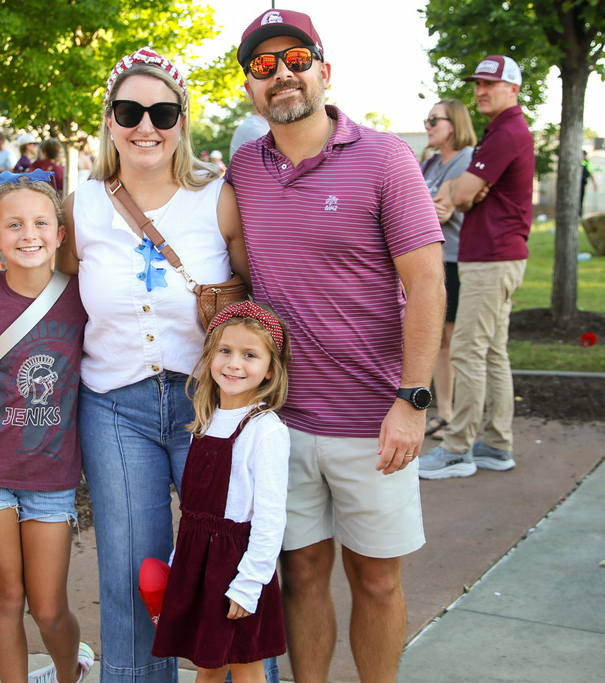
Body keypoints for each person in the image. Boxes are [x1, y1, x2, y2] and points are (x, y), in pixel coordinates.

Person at [227, 10, 445, 682]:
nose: (281, 74)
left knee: (376, 580)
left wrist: (412, 400)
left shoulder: (386, 157)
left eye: (296, 59)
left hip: (374, 420)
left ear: (325, 70)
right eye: (263, 66)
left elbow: (427, 283)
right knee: (299, 573)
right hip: (281, 421)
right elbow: (232, 266)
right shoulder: (244, 168)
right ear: (250, 87)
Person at [57, 45, 254, 683]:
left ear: (182, 122)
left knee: (228, 562)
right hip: (116, 406)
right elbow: (54, 295)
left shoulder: (218, 199)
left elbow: (254, 299)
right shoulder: (80, 206)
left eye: (162, 113)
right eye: (129, 111)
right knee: (131, 570)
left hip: (208, 405)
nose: (146, 126)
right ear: (109, 120)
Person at [0, 174, 92, 683]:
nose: (28, 234)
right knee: (7, 597)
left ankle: (68, 673)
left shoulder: (83, 297)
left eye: (40, 223)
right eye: (14, 225)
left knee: (49, 608)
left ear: (60, 235)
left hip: (51, 477)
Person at [152, 301, 291, 682]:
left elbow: (269, 519)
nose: (234, 364)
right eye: (225, 351)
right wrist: (180, 562)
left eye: (250, 355)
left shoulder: (266, 430)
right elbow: (193, 512)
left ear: (270, 369)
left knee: (245, 665)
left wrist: (249, 584)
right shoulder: (206, 421)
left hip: (237, 567)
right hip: (199, 563)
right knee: (207, 665)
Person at [419, 55, 534, 480]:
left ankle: (457, 449)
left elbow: (462, 197)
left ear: (513, 89)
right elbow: (463, 192)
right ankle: (497, 445)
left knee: (466, 350)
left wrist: (461, 189)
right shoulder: (501, 131)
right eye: (478, 84)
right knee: (492, 352)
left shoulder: (506, 133)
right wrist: (462, 187)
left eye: (490, 84)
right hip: (494, 255)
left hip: (492, 257)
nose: (481, 91)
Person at [420, 99, 476, 440]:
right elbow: (423, 206)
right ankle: (444, 413)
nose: (427, 126)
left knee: (454, 340)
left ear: (453, 124)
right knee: (438, 340)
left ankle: (459, 419)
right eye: (426, 120)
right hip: (429, 260)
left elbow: (442, 210)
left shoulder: (467, 159)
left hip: (454, 258)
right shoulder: (429, 163)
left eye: (433, 120)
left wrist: (423, 206)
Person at [580, 150, 597, 214]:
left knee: (581, 198)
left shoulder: (587, 163)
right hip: (577, 184)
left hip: (582, 183)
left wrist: (594, 184)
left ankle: (580, 212)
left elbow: (590, 173)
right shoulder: (578, 162)